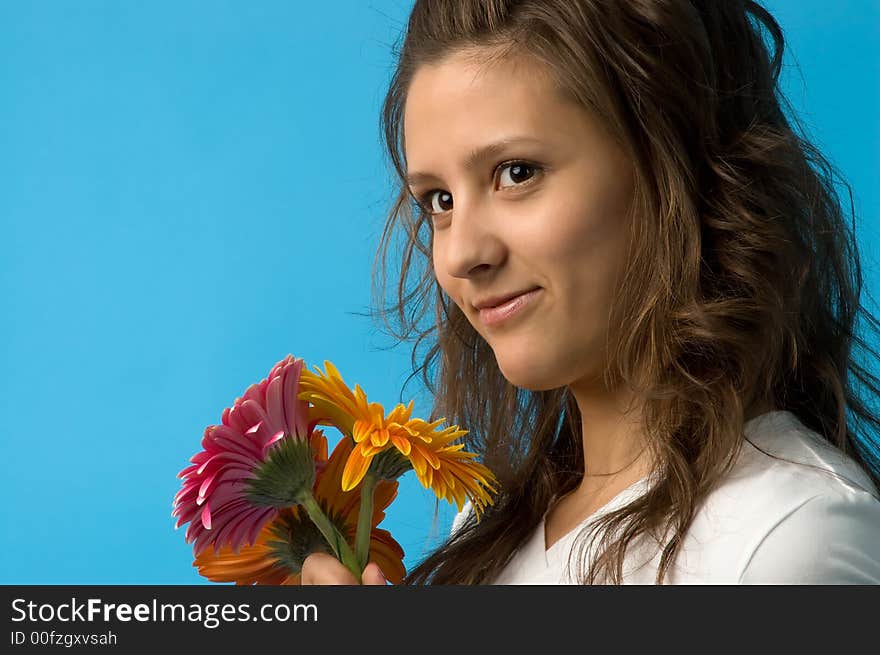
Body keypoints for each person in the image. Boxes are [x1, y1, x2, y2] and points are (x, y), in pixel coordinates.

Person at [301, 0, 880, 584]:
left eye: (517, 172)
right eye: (440, 201)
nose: (460, 254)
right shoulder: (486, 527)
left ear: (671, 161)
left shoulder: (788, 538)